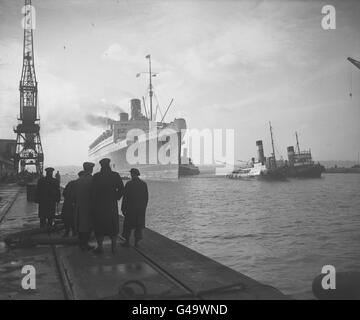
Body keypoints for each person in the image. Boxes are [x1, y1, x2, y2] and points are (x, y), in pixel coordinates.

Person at [92, 158, 124, 254]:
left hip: (99, 206)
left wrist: (94, 202)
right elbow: (122, 189)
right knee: (113, 226)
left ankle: (100, 247)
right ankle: (113, 248)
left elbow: (93, 192)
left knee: (99, 226)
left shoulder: (97, 176)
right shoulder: (115, 175)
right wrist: (116, 197)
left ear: (101, 166)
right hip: (111, 205)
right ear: (109, 165)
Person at [121, 168, 148, 247]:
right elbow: (146, 198)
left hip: (130, 209)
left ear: (132, 174)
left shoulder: (129, 184)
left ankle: (127, 242)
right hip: (140, 209)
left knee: (128, 226)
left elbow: (125, 198)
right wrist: (143, 208)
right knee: (138, 227)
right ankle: (136, 242)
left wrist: (123, 208)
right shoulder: (143, 184)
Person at [75, 162, 95, 251]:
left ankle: (81, 243)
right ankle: (85, 244)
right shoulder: (92, 179)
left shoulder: (78, 180)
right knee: (88, 226)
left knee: (80, 225)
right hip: (89, 206)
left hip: (79, 205)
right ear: (91, 169)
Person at [61, 170, 84, 237]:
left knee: (67, 218)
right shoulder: (81, 184)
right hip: (76, 204)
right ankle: (74, 233)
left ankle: (67, 232)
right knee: (75, 219)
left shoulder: (71, 183)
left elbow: (64, 193)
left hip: (68, 204)